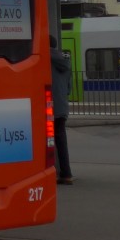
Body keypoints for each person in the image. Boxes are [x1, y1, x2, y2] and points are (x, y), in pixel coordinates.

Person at [50, 35, 74, 185]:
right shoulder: (66, 60)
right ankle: (66, 174)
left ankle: (51, 172)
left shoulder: (45, 59)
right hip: (62, 107)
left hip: (49, 106)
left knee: (47, 142)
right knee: (61, 141)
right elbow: (69, 89)